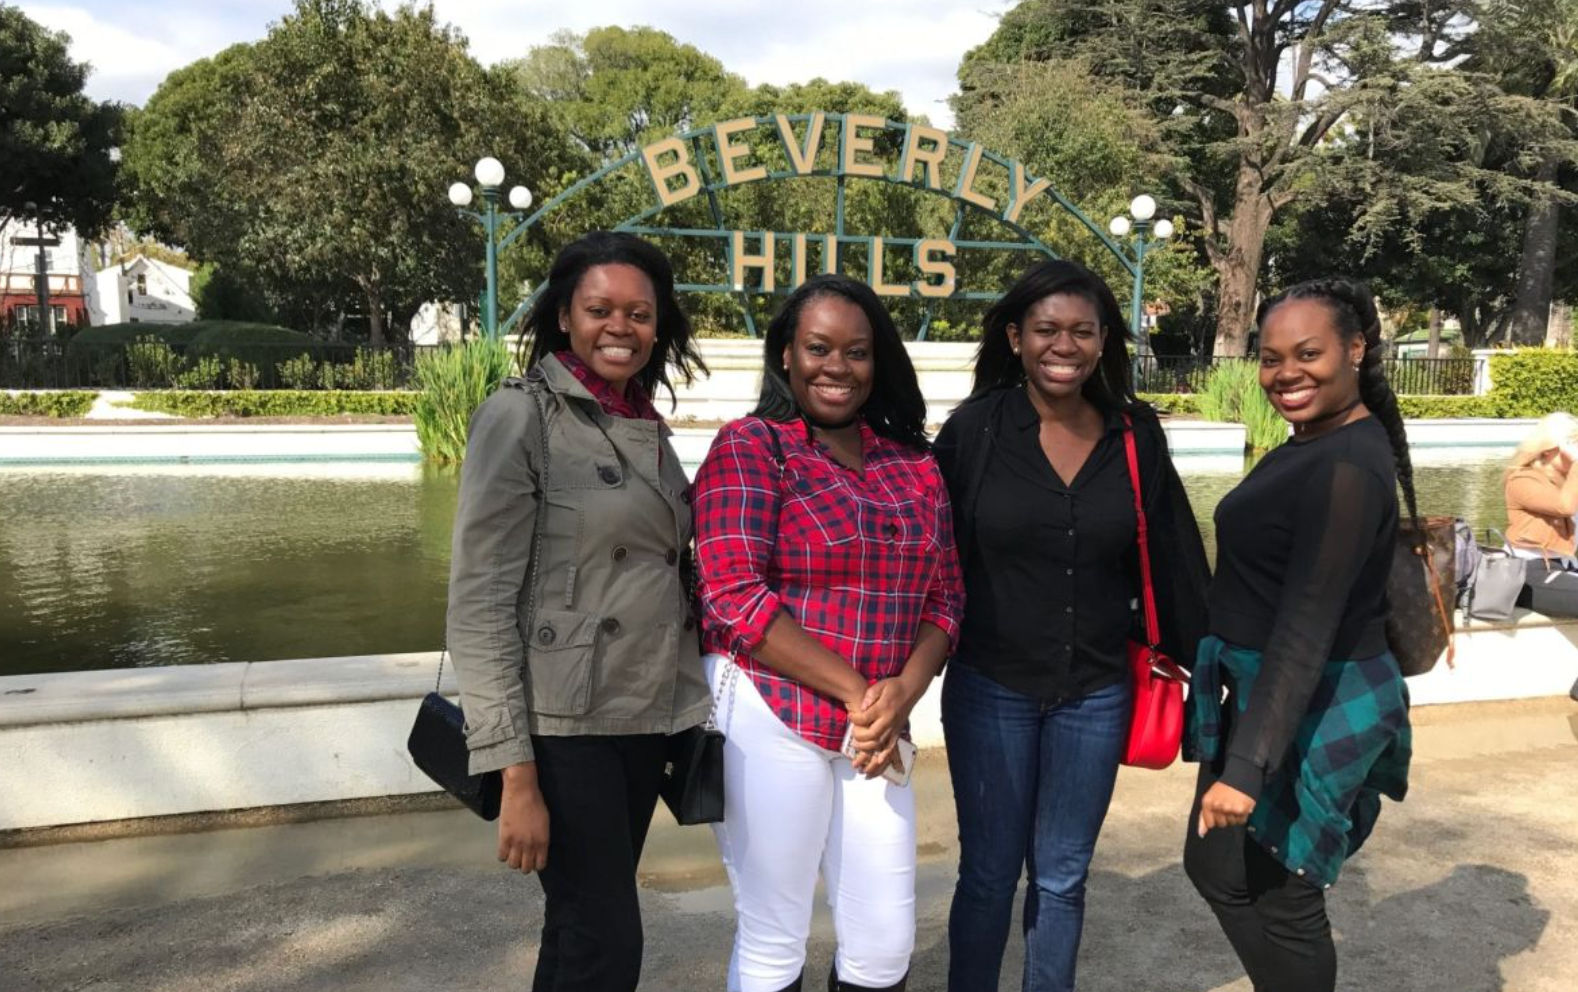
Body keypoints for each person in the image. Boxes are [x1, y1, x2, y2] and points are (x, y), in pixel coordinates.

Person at [932, 259, 1210, 992]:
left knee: (1061, 877)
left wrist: (1215, 661)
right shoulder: (976, 431)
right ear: (1017, 337)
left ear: (1104, 340)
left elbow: (1176, 550)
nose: (1065, 345)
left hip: (1095, 689)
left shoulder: (1134, 432)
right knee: (989, 875)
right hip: (991, 685)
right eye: (1048, 329)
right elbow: (926, 554)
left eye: (1082, 331)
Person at [446, 231, 710, 992]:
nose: (618, 327)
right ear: (565, 315)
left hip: (640, 716)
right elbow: (480, 601)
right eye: (599, 309)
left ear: (658, 325)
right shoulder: (521, 415)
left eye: (638, 312)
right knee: (606, 944)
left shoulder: (643, 423)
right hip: (561, 730)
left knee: (577, 933)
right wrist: (514, 775)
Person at [691, 273, 965, 992]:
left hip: (876, 724)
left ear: (879, 363)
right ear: (786, 354)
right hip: (770, 706)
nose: (836, 368)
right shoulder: (752, 446)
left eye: (857, 352)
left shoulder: (915, 465)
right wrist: (860, 694)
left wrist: (901, 693)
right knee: (775, 933)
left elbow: (946, 598)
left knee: (883, 943)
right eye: (818, 348)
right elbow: (733, 593)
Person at [1184, 278, 1414, 992]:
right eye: (1271, 357)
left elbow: (1308, 622)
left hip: (1311, 695)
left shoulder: (1347, 464)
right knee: (1218, 866)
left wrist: (1248, 767)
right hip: (1274, 688)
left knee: (1283, 894)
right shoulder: (1316, 442)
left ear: (1355, 348)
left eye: (1308, 353)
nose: (1287, 373)